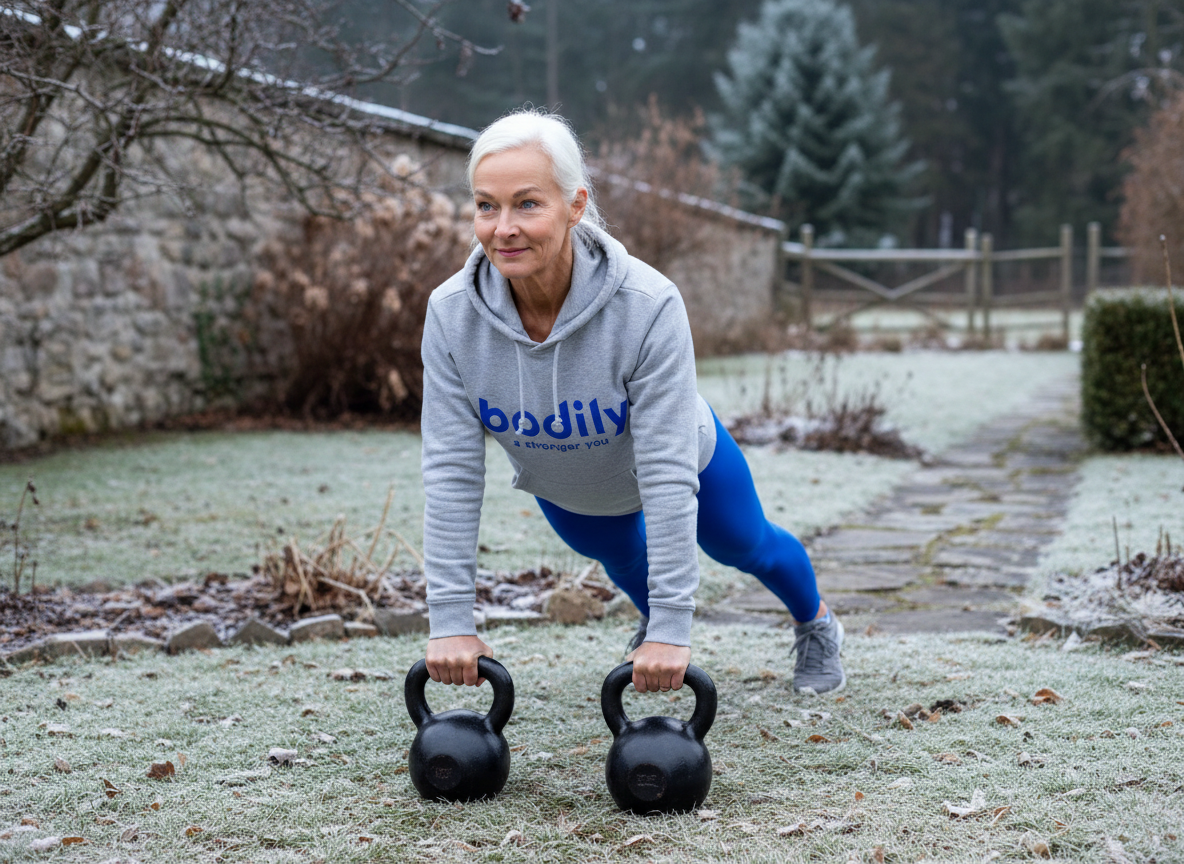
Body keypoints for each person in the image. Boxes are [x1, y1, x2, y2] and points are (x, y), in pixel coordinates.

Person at [420, 109, 845, 697]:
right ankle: (651, 630)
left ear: (574, 205)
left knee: (747, 545)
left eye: (528, 204)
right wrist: (450, 620)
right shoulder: (450, 316)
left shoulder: (647, 304)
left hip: (684, 460)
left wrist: (677, 629)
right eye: (486, 205)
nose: (503, 227)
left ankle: (815, 622)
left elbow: (668, 471)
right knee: (625, 562)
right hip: (569, 487)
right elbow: (451, 471)